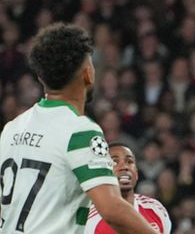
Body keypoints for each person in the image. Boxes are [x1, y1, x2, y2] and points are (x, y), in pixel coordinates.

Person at [0, 23, 157, 233]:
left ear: (40, 76)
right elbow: (112, 209)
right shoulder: (80, 131)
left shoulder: (12, 128)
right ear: (88, 74)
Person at [85, 143, 172, 233]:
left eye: (129, 162)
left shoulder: (156, 209)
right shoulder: (90, 222)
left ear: (136, 173)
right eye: (114, 162)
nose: (124, 167)